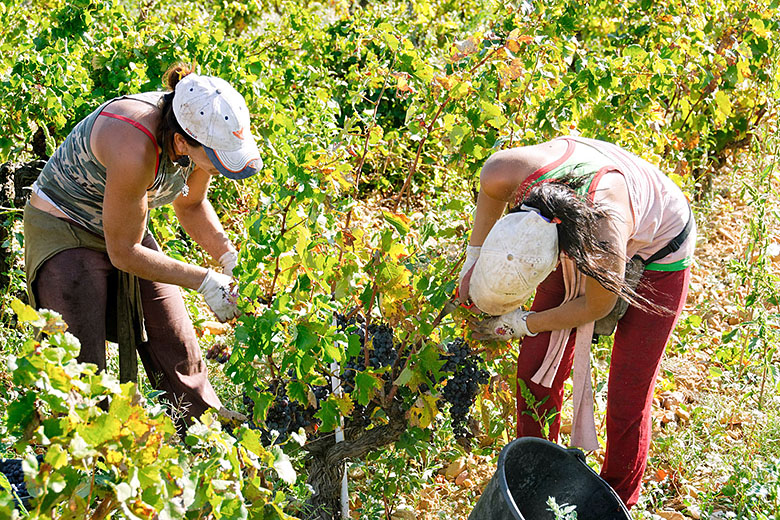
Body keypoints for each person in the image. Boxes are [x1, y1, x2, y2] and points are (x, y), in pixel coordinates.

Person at [458, 135, 695, 508]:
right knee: (536, 368)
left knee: (627, 393)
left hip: (661, 244)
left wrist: (523, 322)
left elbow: (595, 307)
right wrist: (473, 265)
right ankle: (534, 481)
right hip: (581, 219)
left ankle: (615, 501)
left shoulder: (603, 234)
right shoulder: (502, 173)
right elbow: (483, 238)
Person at [23, 63, 261, 426]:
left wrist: (228, 258)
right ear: (181, 142)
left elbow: (192, 204)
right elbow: (124, 252)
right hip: (66, 225)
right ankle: (87, 458)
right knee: (80, 368)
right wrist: (204, 281)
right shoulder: (133, 143)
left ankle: (207, 432)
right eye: (215, 161)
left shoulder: (196, 131)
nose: (215, 170)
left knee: (173, 332)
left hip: (124, 224)